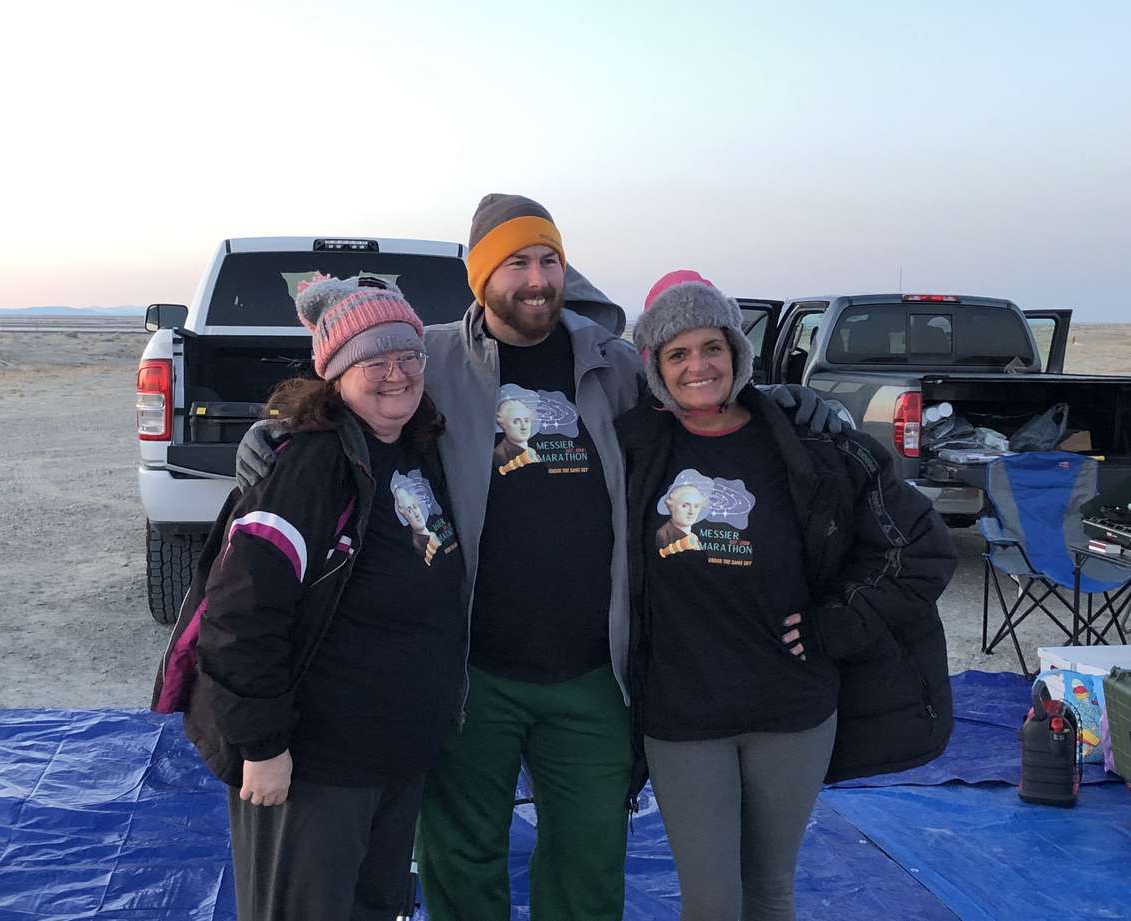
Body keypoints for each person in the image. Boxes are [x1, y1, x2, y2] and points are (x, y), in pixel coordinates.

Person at [235, 197, 844, 921]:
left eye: (548, 259)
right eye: (515, 262)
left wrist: (789, 404)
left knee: (588, 865)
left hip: (591, 674)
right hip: (471, 672)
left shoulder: (614, 363)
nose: (535, 278)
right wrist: (279, 431)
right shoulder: (431, 359)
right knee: (461, 858)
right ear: (480, 274)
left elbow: (702, 390)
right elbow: (363, 382)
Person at [617, 270, 958, 921]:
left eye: (711, 346)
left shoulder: (809, 442)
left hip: (792, 711)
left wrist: (837, 626)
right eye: (678, 353)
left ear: (736, 351)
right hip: (683, 715)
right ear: (656, 367)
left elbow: (920, 546)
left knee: (770, 890)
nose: (699, 366)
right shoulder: (633, 448)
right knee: (713, 901)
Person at [179, 275, 467, 921]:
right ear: (336, 372)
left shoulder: (417, 451)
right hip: (315, 761)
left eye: (406, 356)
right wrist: (262, 744)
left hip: (394, 754)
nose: (395, 374)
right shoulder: (311, 465)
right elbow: (239, 615)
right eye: (373, 360)